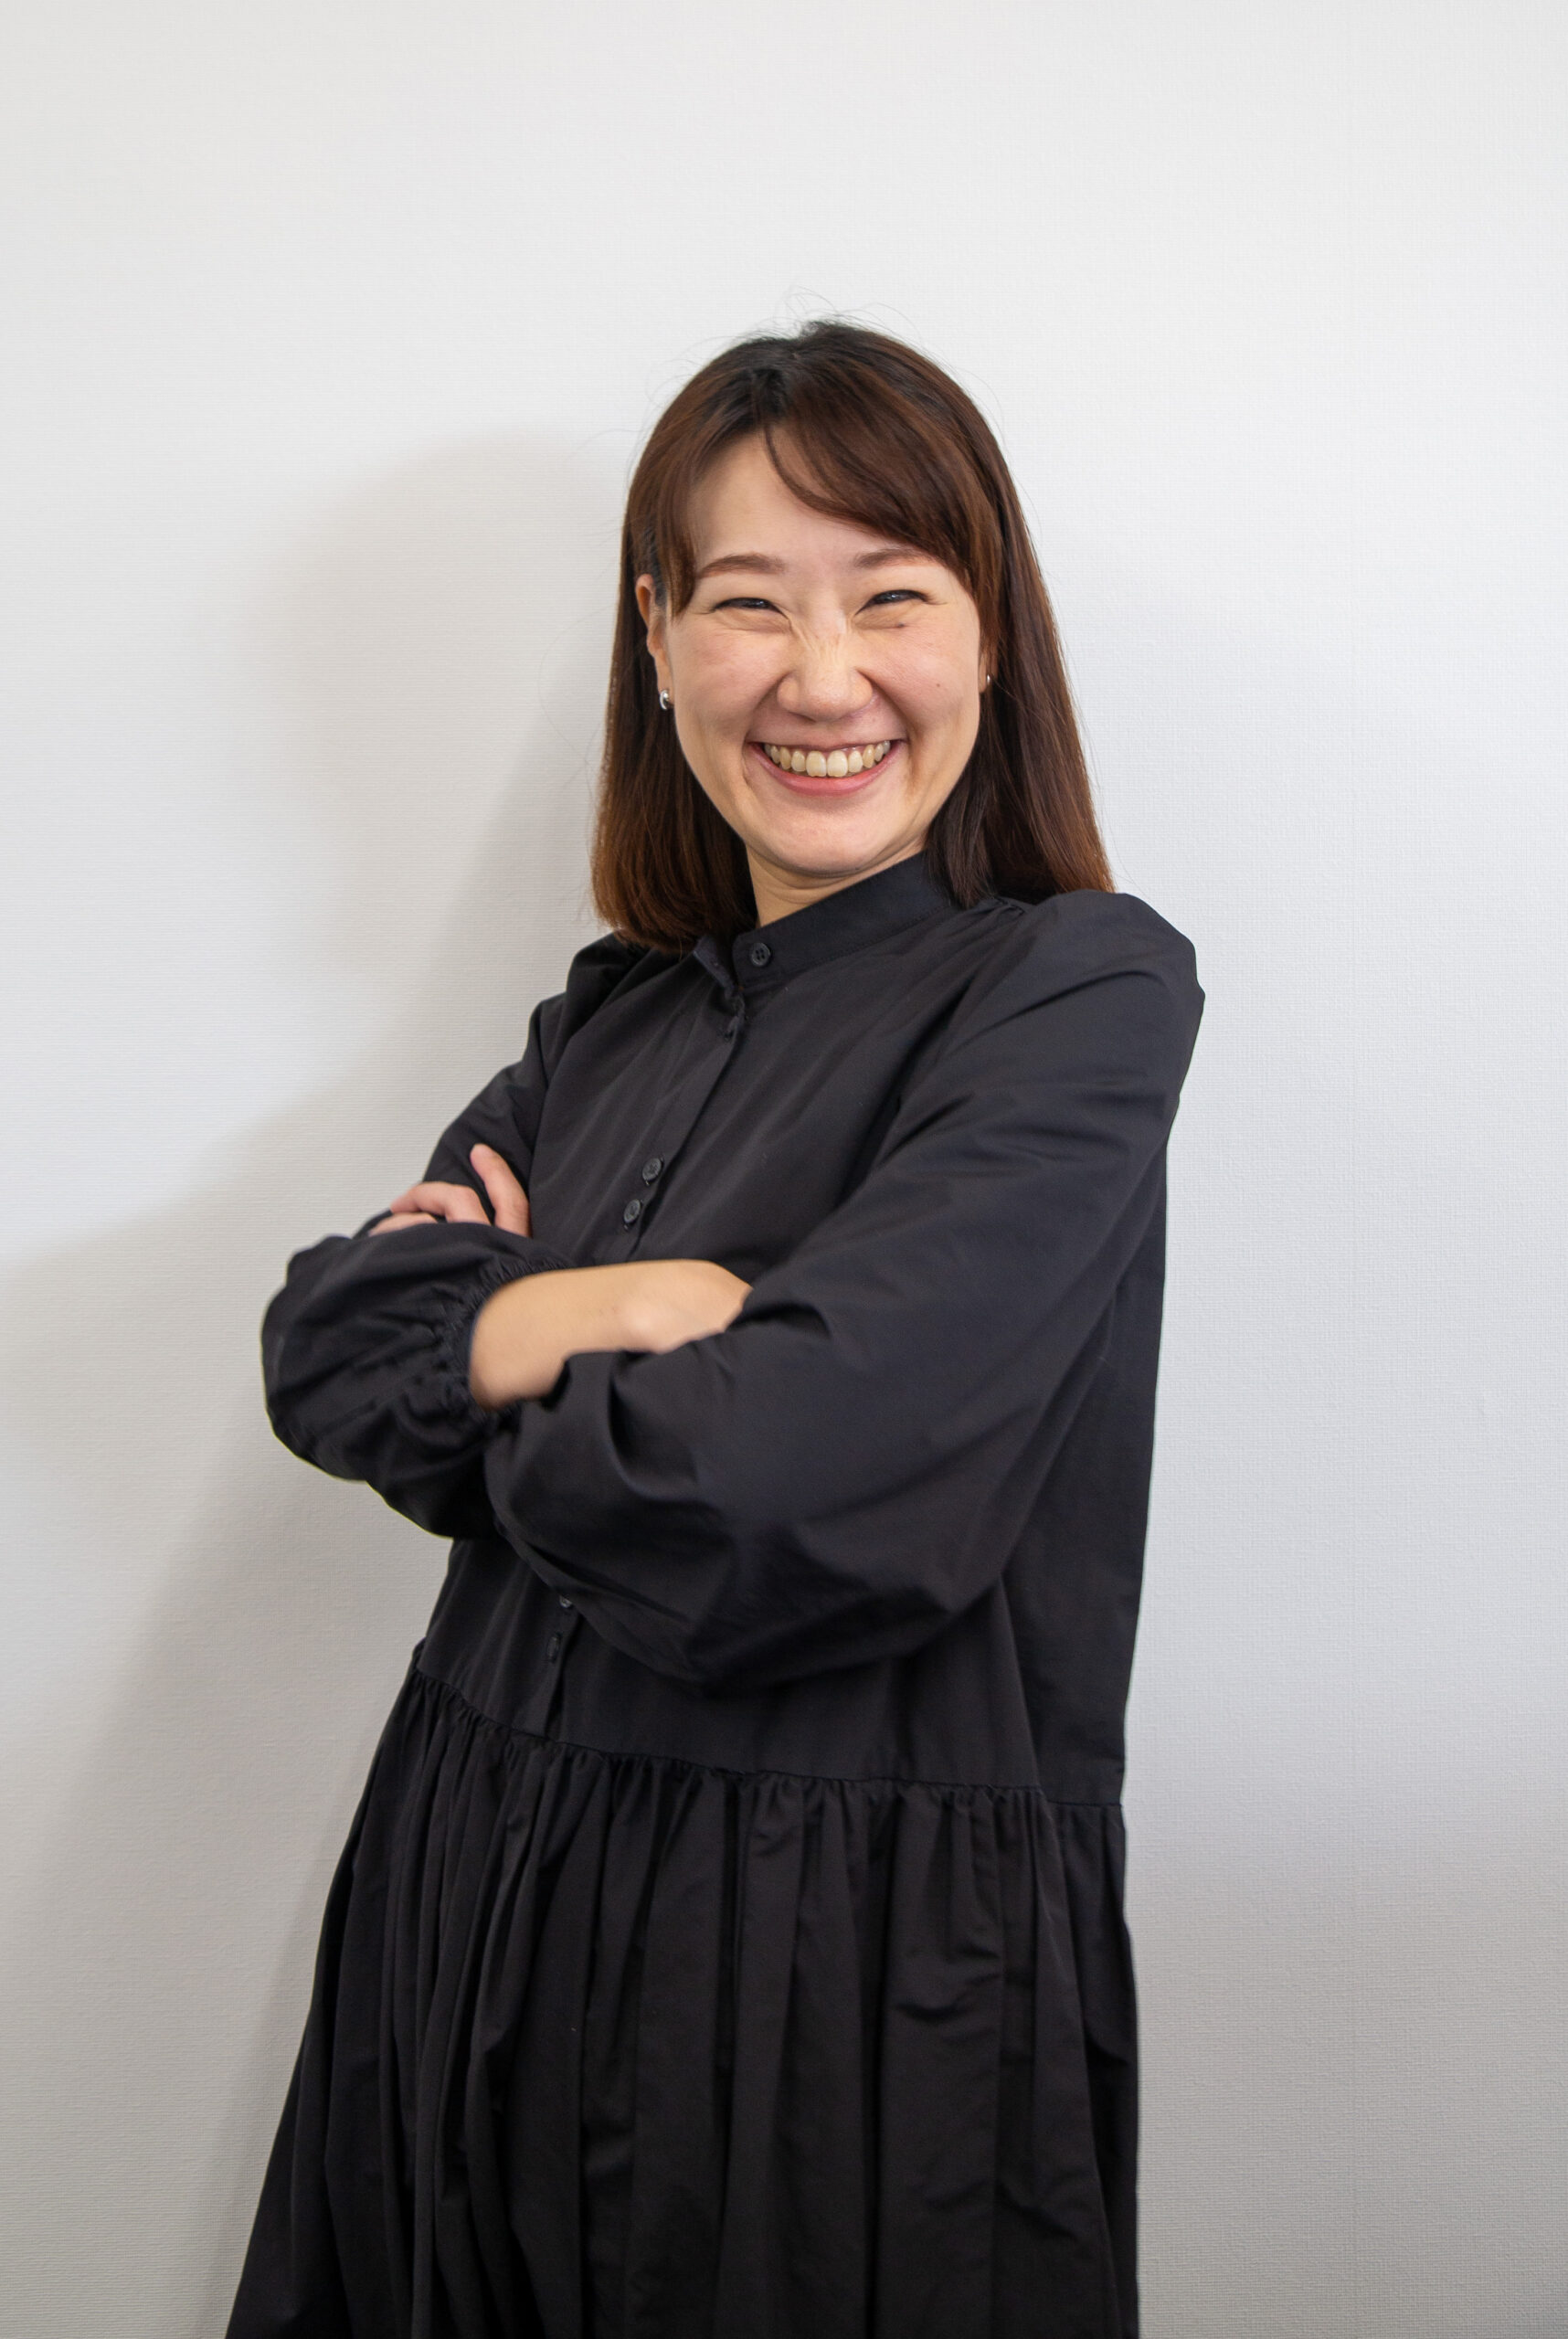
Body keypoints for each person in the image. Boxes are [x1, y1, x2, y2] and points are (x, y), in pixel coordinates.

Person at [227, 320, 1202, 2339]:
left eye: (892, 599)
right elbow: (326, 1349)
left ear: (993, 637)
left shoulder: (1076, 997)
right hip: (459, 1892)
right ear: (657, 639)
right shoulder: (611, 1020)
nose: (822, 679)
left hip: (830, 1976)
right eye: (749, 602)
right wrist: (633, 1307)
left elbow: (788, 1488)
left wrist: (489, 1348)